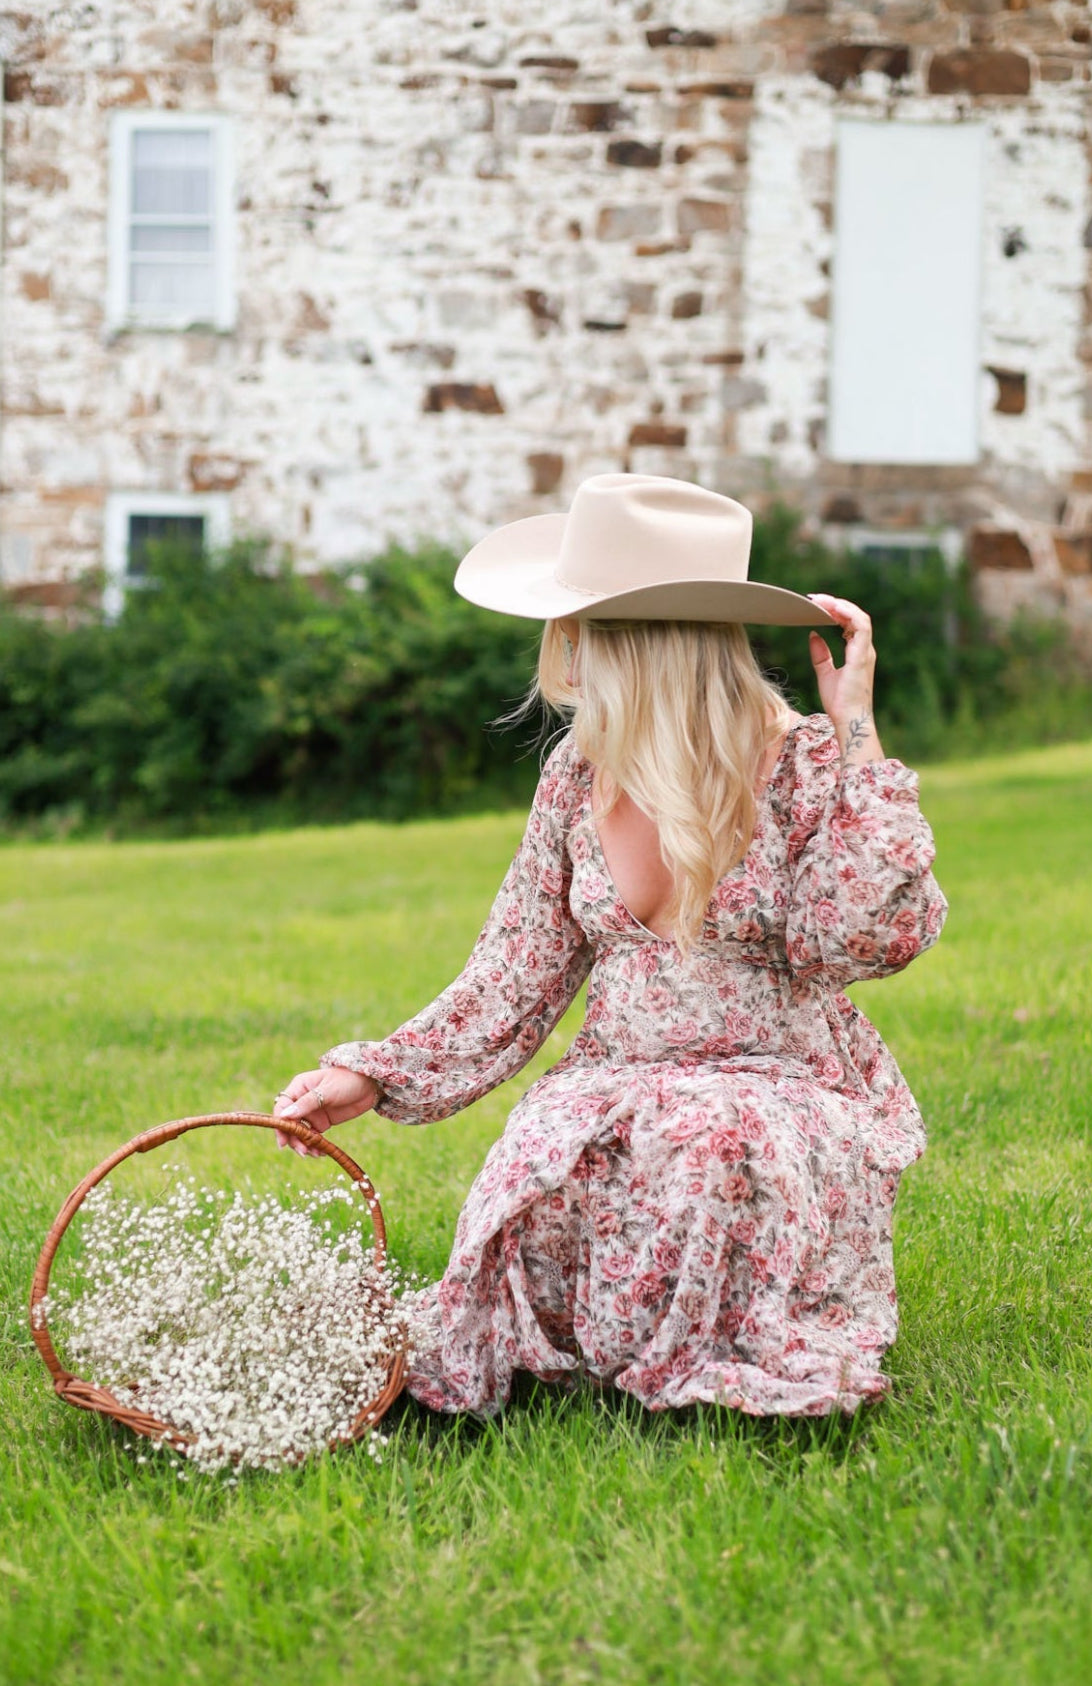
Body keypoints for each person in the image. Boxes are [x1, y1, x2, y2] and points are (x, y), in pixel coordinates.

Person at [273, 473, 948, 1418]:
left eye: (580, 625)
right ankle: (573, 1345)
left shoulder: (802, 763)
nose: (564, 650)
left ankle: (699, 1353)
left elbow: (869, 936)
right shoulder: (578, 770)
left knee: (708, 1139)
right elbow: (515, 968)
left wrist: (857, 732)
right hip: (615, 1070)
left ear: (637, 641)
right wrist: (377, 1075)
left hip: (777, 1079)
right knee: (544, 1150)